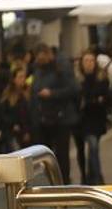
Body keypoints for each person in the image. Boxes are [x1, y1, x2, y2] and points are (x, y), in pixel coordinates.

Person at [30, 44, 80, 183]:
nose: (40, 61)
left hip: (61, 119)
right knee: (44, 156)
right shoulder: (38, 71)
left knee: (62, 154)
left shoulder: (61, 68)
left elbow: (73, 89)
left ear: (48, 55)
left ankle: (64, 182)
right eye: (38, 58)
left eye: (42, 58)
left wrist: (52, 94)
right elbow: (34, 93)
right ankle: (49, 182)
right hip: (43, 119)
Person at [78, 51, 111, 185]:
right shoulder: (78, 79)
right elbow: (81, 98)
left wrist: (93, 100)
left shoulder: (101, 78)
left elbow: (105, 97)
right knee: (91, 147)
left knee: (93, 147)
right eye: (86, 60)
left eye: (91, 60)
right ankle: (95, 176)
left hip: (97, 118)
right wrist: (94, 99)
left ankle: (93, 176)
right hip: (83, 120)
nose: (89, 63)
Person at [0, 64, 32, 152]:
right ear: (14, 79)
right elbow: (3, 114)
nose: (23, 79)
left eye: (24, 77)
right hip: (13, 133)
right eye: (20, 77)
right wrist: (13, 124)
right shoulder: (8, 96)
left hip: (27, 131)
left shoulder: (27, 93)